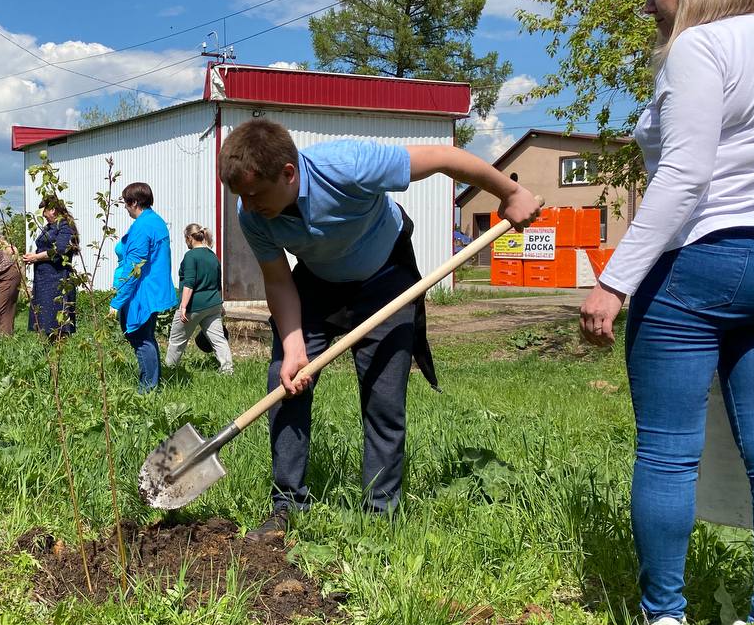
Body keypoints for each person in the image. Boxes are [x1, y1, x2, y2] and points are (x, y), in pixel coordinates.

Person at [578, 0, 754, 625]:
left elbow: (685, 176)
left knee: (667, 453)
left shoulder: (700, 47)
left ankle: (664, 624)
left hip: (698, 263)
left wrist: (614, 283)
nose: (650, 3)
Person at [219, 120, 537, 540]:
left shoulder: (348, 165)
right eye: (241, 196)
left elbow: (444, 158)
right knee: (285, 384)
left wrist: (510, 193)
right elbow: (278, 280)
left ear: (288, 173)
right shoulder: (254, 215)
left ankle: (379, 514)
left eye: (255, 193)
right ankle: (287, 505)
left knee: (383, 397)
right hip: (316, 282)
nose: (248, 204)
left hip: (384, 274)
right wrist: (294, 346)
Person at [110, 182, 177, 393]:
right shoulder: (155, 221)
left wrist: (117, 301)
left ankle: (147, 388)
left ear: (134, 202)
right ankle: (152, 383)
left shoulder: (143, 226)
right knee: (146, 337)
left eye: (126, 203)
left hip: (142, 291)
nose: (126, 208)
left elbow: (133, 268)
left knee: (139, 337)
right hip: (151, 289)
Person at [165, 223, 233, 375]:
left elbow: (189, 283)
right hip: (213, 304)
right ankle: (227, 370)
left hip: (194, 306)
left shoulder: (190, 256)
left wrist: (183, 306)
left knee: (177, 340)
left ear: (189, 238)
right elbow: (217, 282)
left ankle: (169, 371)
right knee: (218, 340)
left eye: (185, 238)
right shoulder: (212, 256)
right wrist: (220, 304)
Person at [24, 197, 78, 339]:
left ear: (53, 210)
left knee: (56, 318)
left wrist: (36, 257)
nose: (43, 216)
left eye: (45, 212)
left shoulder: (65, 227)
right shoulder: (50, 227)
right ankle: (51, 350)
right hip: (45, 279)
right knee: (46, 320)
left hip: (58, 279)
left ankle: (59, 351)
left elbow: (60, 250)